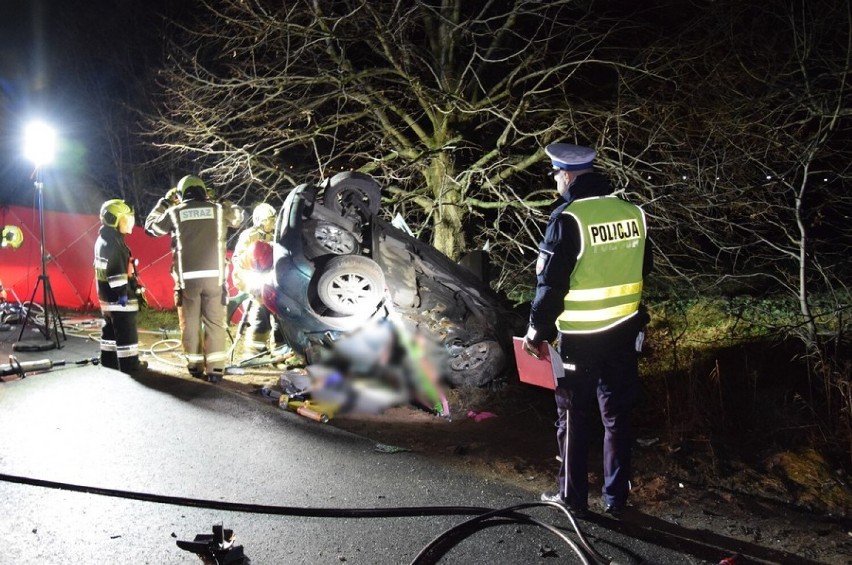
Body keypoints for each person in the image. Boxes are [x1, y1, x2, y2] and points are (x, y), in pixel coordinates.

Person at [522, 142, 652, 518]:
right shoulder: (634, 213)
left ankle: (573, 499)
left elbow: (551, 287)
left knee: (574, 416)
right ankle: (616, 499)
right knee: (617, 416)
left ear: (565, 175)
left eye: (555, 177)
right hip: (625, 333)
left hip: (580, 339)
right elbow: (644, 270)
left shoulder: (568, 219)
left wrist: (537, 331)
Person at [145, 175, 243, 382]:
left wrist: (164, 203)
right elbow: (239, 217)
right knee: (215, 323)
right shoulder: (218, 210)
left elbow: (151, 228)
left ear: (181, 194)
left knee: (190, 324)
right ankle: (215, 370)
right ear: (204, 191)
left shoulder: (174, 212)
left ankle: (195, 366)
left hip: (187, 282)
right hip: (215, 280)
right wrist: (224, 202)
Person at [94, 199, 146, 374]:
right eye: (125, 219)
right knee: (126, 332)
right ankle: (129, 364)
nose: (129, 222)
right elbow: (116, 273)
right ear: (113, 220)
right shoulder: (115, 244)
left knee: (109, 329)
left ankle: (108, 360)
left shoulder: (102, 240)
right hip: (119, 299)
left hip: (105, 297)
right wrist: (124, 293)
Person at [230, 202, 278, 361]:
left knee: (280, 319)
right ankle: (255, 355)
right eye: (270, 219)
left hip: (273, 285)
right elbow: (239, 261)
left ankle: (279, 353)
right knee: (259, 316)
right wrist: (250, 285)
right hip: (253, 284)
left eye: (273, 218)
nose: (273, 221)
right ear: (260, 220)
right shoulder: (249, 236)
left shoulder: (278, 235)